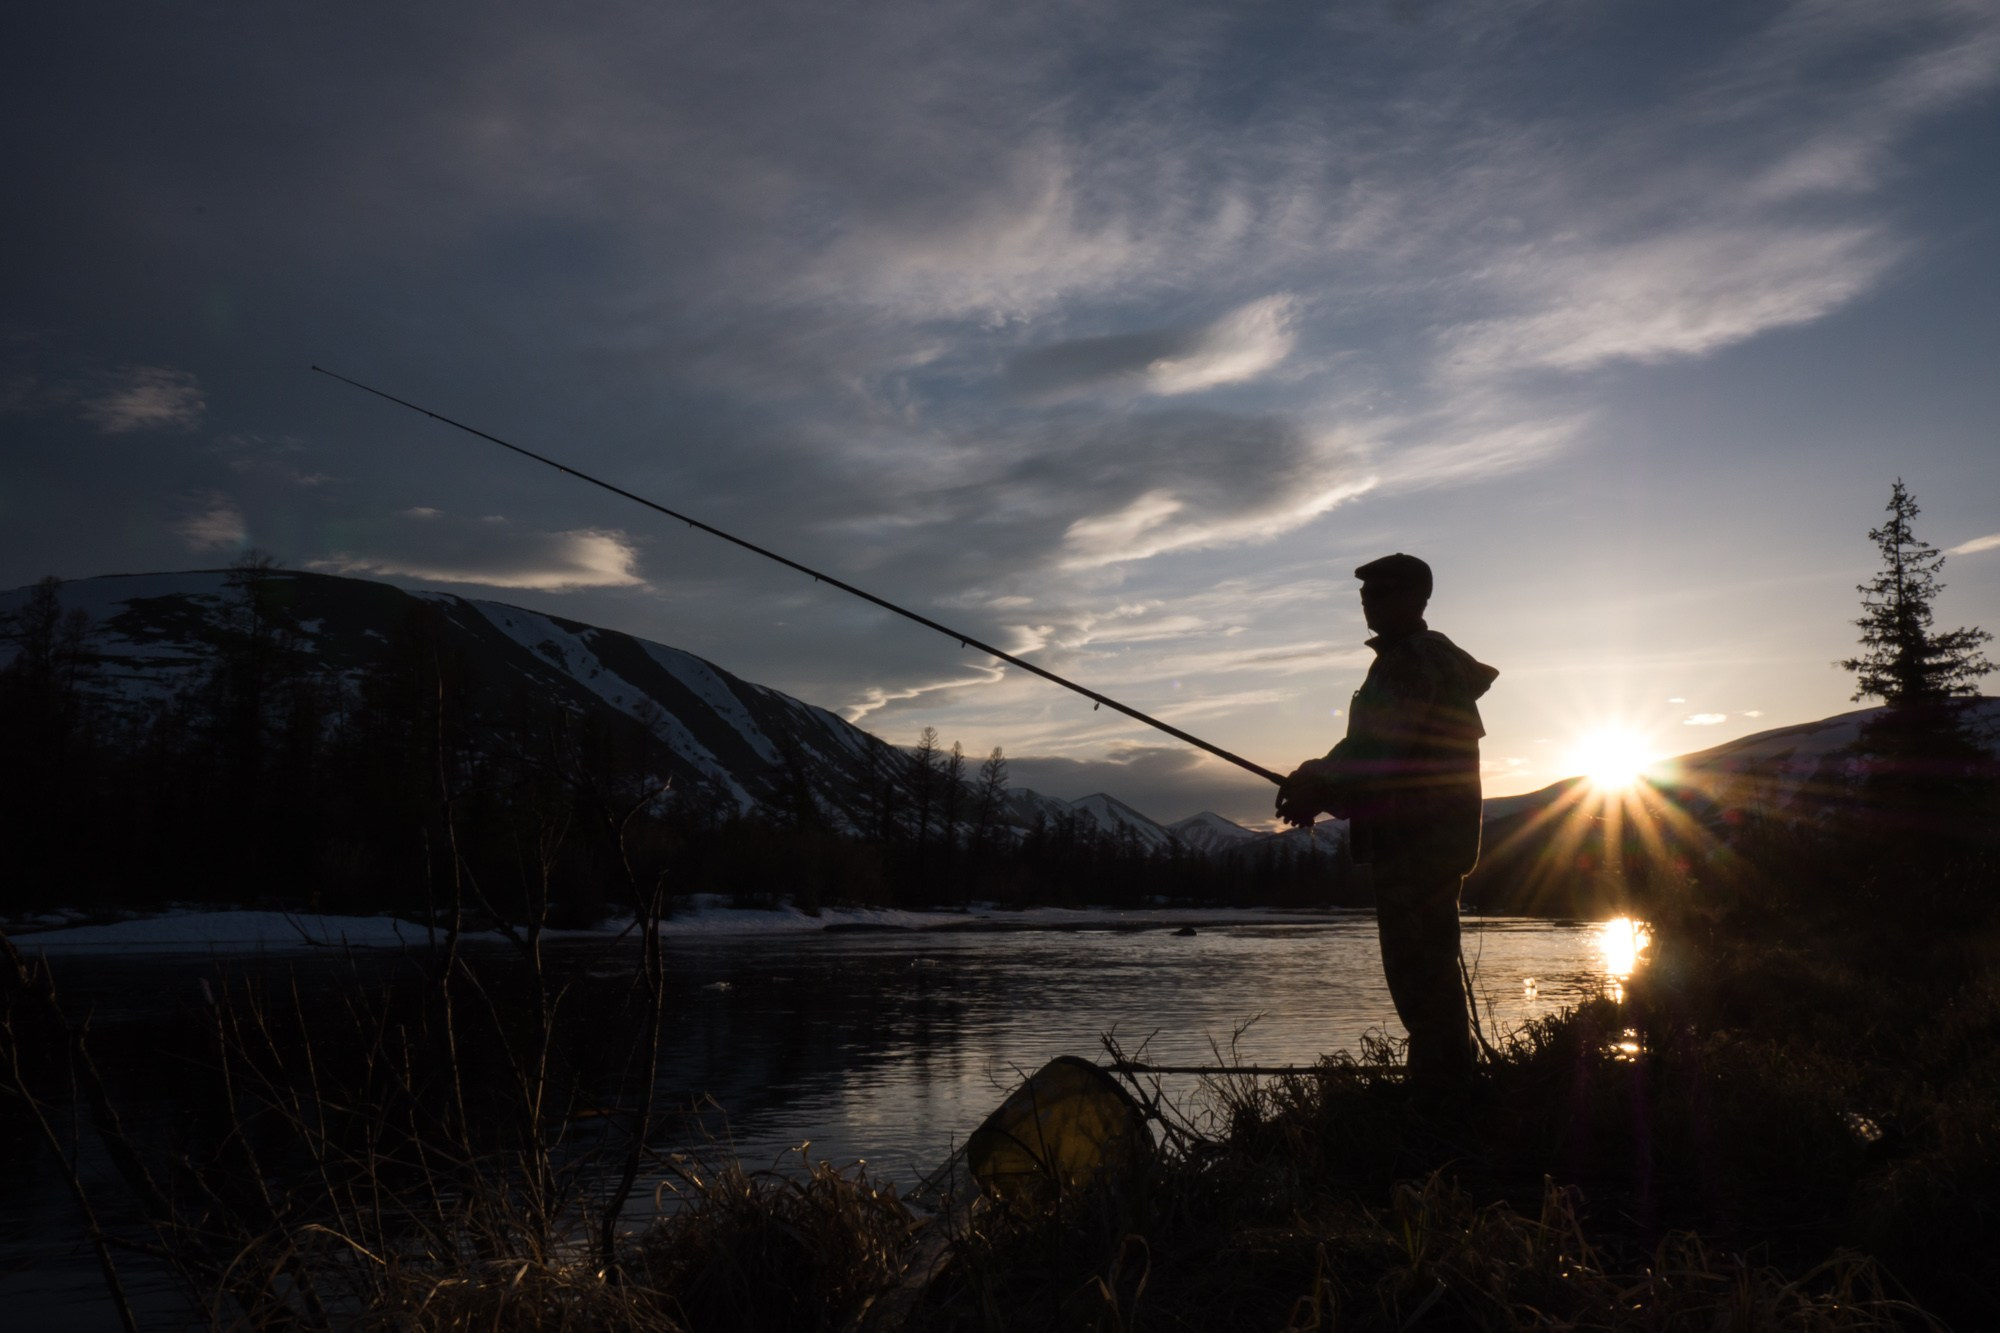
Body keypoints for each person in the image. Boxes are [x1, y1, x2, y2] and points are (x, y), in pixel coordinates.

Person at [1276, 553, 1498, 1093]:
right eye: (1365, 593)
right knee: (1432, 976)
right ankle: (1447, 1092)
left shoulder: (1411, 662)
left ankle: (1439, 1104)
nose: (1367, 601)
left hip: (1415, 841)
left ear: (1415, 599)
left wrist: (1317, 787)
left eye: (1379, 592)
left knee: (1420, 979)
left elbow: (1382, 751)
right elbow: (1370, 748)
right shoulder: (1415, 661)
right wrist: (1316, 776)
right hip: (1426, 839)